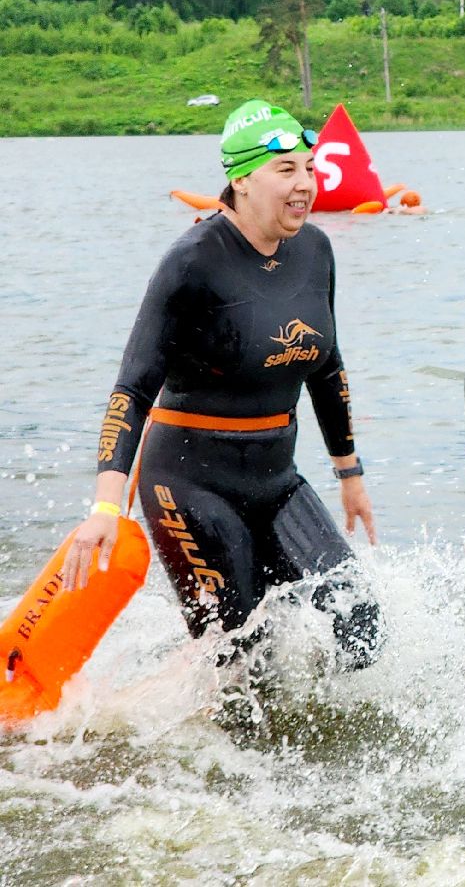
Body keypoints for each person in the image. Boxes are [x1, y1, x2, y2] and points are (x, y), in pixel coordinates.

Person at [61, 99, 382, 672]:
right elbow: (132, 390)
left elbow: (327, 366)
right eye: (287, 171)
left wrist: (349, 474)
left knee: (359, 622)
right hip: (190, 485)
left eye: (309, 168)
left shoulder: (315, 250)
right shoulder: (192, 262)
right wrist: (106, 506)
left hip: (276, 479)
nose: (306, 184)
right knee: (242, 661)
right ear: (240, 179)